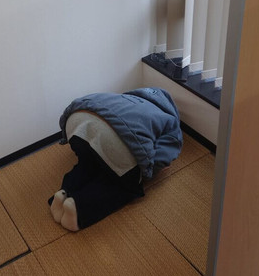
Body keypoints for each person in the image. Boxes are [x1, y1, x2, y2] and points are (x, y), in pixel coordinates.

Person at [48, 88, 182, 231]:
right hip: (118, 137)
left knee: (89, 163)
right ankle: (78, 208)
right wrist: (148, 172)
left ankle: (65, 191)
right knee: (127, 183)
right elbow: (163, 155)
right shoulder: (170, 120)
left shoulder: (120, 97)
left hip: (76, 121)